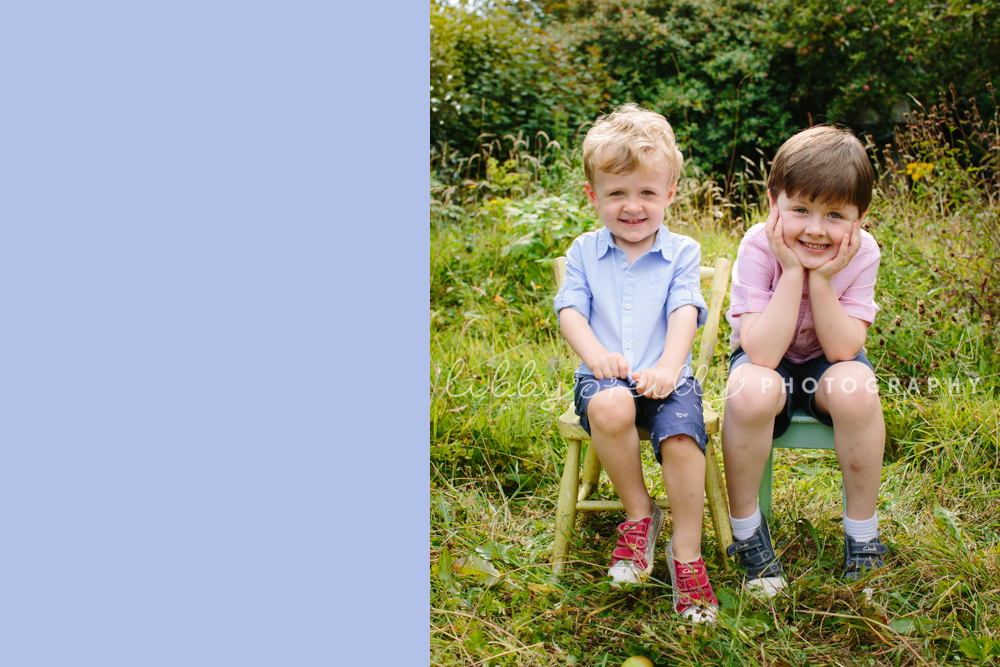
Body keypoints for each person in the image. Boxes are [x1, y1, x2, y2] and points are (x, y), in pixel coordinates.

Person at [554, 103, 717, 623]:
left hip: (669, 379)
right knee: (611, 406)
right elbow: (570, 311)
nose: (633, 206)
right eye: (617, 193)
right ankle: (639, 515)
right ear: (593, 196)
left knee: (683, 439)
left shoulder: (683, 251)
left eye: (647, 192)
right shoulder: (583, 250)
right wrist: (596, 355)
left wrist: (670, 366)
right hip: (605, 380)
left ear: (669, 193)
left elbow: (684, 310)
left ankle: (686, 554)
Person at [722, 125, 887, 597]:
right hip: (764, 360)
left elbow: (842, 350)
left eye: (835, 214)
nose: (816, 229)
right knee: (752, 388)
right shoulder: (759, 244)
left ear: (860, 218)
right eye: (800, 210)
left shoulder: (863, 253)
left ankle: (862, 536)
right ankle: (747, 532)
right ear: (773, 203)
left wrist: (823, 277)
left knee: (857, 390)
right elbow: (761, 353)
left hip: (826, 364)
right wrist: (792, 269)